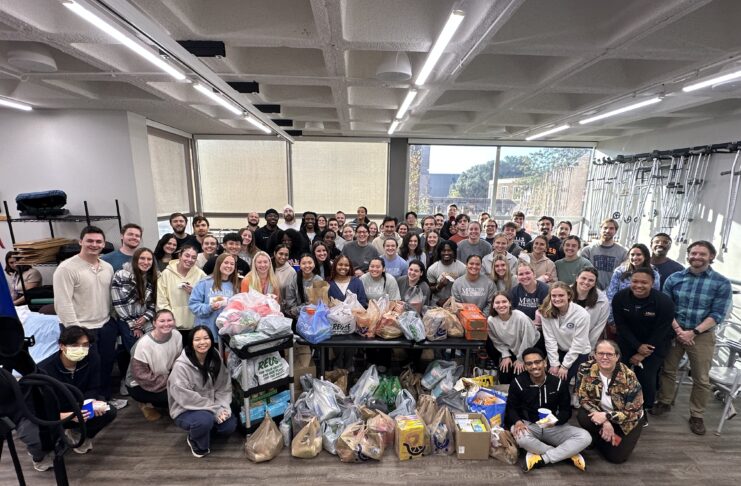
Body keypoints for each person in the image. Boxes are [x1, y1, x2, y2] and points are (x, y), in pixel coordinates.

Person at [653, 241, 732, 435]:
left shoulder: (721, 282)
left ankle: (697, 414)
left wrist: (693, 332)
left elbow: (717, 314)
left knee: (701, 378)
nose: (697, 257)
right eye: (693, 253)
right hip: (675, 331)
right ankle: (665, 401)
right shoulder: (675, 278)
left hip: (702, 335)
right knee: (668, 370)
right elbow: (667, 307)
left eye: (702, 254)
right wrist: (680, 331)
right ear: (688, 255)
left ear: (711, 257)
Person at [22, 326, 118, 464]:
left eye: (85, 345)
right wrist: (65, 416)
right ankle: (38, 456)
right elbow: (35, 408)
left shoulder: (92, 358)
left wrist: (89, 405)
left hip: (78, 405)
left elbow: (94, 387)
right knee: (41, 438)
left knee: (108, 411)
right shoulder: (44, 370)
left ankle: (78, 433)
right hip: (54, 412)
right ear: (62, 346)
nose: (81, 349)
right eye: (74, 345)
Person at [53, 226, 116, 400]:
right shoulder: (66, 268)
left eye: (98, 241)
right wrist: (76, 332)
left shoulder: (107, 267)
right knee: (85, 369)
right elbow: (63, 303)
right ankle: (84, 405)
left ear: (103, 244)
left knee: (106, 364)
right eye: (90, 241)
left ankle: (105, 401)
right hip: (81, 327)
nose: (94, 244)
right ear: (81, 242)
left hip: (104, 324)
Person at [505, 347, 589, 472]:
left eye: (537, 362)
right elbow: (511, 408)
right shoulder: (518, 382)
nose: (534, 366)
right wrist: (517, 421)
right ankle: (567, 455)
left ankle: (543, 458)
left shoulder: (558, 383)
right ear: (525, 366)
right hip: (529, 425)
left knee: (585, 437)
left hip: (552, 426)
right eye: (529, 364)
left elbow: (566, 411)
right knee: (522, 439)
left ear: (545, 362)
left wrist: (555, 421)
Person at [612, 268, 675, 413]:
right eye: (635, 281)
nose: (638, 285)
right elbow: (621, 325)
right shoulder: (620, 297)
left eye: (644, 282)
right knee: (619, 373)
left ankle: (644, 408)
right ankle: (617, 402)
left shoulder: (664, 302)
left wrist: (642, 353)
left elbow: (662, 330)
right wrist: (637, 346)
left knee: (646, 376)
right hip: (628, 341)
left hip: (655, 343)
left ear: (652, 283)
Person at [168, 326, 236, 458]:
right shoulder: (181, 366)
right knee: (204, 421)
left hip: (212, 404)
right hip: (186, 408)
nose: (202, 342)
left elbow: (223, 386)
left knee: (228, 427)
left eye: (206, 338)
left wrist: (223, 407)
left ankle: (204, 430)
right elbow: (187, 399)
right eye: (197, 339)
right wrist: (215, 410)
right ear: (191, 342)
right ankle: (195, 441)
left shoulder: (214, 355)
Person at [577, 340, 644, 463]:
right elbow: (582, 397)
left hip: (627, 420)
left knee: (617, 458)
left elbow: (633, 412)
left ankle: (601, 439)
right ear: (595, 355)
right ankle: (602, 435)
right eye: (600, 353)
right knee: (582, 415)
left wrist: (607, 416)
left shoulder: (629, 376)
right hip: (601, 413)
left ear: (617, 357)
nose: (604, 357)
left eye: (609, 354)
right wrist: (605, 422)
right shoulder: (585, 368)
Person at [125, 309, 183, 421]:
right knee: (177, 395)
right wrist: (171, 384)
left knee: (184, 391)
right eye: (162, 321)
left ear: (174, 321)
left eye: (169, 320)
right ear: (154, 323)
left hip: (164, 377)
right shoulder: (143, 344)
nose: (166, 324)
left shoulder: (177, 336)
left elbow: (178, 361)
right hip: (139, 384)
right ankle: (146, 404)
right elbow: (141, 376)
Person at [540, 282, 592, 384]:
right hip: (560, 350)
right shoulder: (546, 312)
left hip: (579, 352)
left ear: (569, 295)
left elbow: (578, 343)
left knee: (564, 380)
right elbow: (550, 339)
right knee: (552, 380)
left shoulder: (582, 314)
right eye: (553, 295)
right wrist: (554, 364)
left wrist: (564, 366)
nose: (557, 299)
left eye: (561, 295)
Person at [111, 247, 157, 356]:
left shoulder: (152, 277)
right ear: (135, 259)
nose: (146, 262)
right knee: (136, 354)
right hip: (127, 320)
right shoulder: (121, 275)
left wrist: (146, 318)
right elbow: (119, 303)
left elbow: (154, 302)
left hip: (146, 319)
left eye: (149, 259)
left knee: (151, 351)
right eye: (142, 258)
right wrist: (135, 326)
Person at [487, 292, 540, 384]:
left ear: (510, 303)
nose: (501, 305)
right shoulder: (491, 320)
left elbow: (528, 339)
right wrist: (505, 355)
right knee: (504, 374)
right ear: (493, 305)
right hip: (512, 349)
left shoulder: (520, 317)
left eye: (504, 302)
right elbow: (496, 340)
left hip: (531, 347)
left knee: (519, 376)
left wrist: (521, 359)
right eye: (497, 303)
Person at [157, 245, 205, 335]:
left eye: (193, 257)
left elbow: (207, 299)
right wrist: (169, 321)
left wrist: (194, 293)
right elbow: (161, 300)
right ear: (180, 256)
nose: (190, 260)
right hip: (172, 326)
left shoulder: (200, 275)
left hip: (195, 326)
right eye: (186, 256)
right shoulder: (166, 274)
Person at [189, 253, 238, 341]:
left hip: (225, 335)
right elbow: (193, 305)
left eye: (232, 264)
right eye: (226, 263)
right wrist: (209, 307)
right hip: (206, 334)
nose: (229, 266)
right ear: (219, 264)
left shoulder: (234, 286)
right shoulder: (204, 283)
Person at [606, 244, 661, 310]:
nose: (635, 257)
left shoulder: (654, 274)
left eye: (638, 254)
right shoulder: (619, 271)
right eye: (632, 255)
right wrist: (611, 316)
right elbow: (611, 294)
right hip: (621, 310)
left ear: (645, 256)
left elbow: (654, 295)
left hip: (643, 310)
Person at [580, 218, 628, 290]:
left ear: (615, 231)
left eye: (611, 228)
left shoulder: (623, 253)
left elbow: (624, 275)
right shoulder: (588, 250)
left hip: (612, 292)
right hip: (590, 290)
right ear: (600, 229)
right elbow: (581, 272)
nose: (608, 231)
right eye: (605, 228)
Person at [571, 267, 609, 349]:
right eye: (583, 278)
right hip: (561, 344)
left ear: (595, 283)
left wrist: (589, 347)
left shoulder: (602, 301)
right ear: (577, 278)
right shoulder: (563, 293)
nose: (586, 282)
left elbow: (598, 328)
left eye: (591, 280)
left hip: (585, 346)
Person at [283, 253, 323, 318]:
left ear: (314, 264)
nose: (307, 266)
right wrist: (297, 312)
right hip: (296, 317)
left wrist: (298, 310)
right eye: (304, 263)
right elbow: (290, 300)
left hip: (314, 316)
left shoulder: (319, 280)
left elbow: (316, 303)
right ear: (300, 265)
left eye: (310, 263)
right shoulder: (294, 278)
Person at [427, 241, 466, 307]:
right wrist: (439, 286)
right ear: (440, 252)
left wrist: (449, 300)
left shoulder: (462, 268)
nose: (446, 253)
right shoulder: (432, 268)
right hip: (437, 303)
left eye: (449, 250)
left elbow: (465, 289)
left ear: (454, 252)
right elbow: (429, 290)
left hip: (456, 303)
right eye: (443, 251)